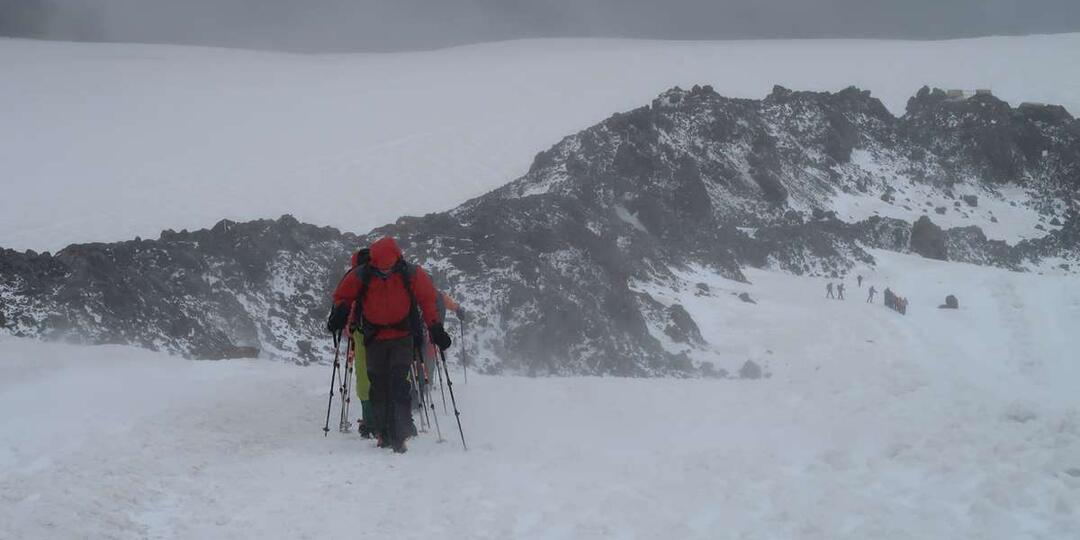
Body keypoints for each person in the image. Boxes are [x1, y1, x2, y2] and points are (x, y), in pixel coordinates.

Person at [327, 237, 452, 453]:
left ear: (397, 260)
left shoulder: (409, 273)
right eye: (380, 269)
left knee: (397, 383)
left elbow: (428, 299)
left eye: (388, 269)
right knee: (379, 384)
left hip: (401, 336)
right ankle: (385, 433)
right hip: (376, 337)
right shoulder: (364, 273)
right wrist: (340, 313)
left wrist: (435, 328)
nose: (385, 273)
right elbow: (343, 295)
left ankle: (398, 433)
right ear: (373, 262)